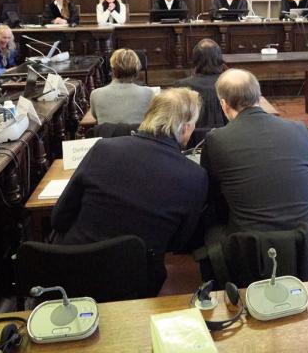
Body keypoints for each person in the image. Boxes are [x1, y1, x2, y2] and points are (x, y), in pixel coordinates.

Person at [50, 87, 208, 262]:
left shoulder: (103, 148)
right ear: (186, 128)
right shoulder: (195, 176)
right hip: (137, 272)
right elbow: (179, 243)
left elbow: (59, 218)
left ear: (149, 115)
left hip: (73, 264)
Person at [201, 69, 308, 236]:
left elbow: (212, 195)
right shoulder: (300, 129)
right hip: (307, 240)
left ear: (224, 104)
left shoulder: (216, 139)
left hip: (251, 244)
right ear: (259, 97)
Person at [89, 48, 156, 125]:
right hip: (137, 132)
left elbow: (96, 117)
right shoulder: (149, 93)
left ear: (112, 69)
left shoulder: (96, 94)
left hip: (108, 133)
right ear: (137, 70)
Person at [174, 38, 227, 129]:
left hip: (191, 135)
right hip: (226, 135)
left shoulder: (182, 85)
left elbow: (177, 119)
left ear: (195, 60)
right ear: (219, 59)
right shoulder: (230, 84)